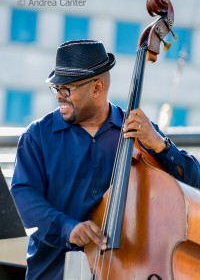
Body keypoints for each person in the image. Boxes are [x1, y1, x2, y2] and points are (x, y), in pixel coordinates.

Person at [11, 39, 200, 280]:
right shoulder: (36, 136)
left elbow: (195, 184)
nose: (59, 96)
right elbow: (24, 198)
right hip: (53, 274)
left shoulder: (138, 131)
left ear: (97, 88)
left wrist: (161, 147)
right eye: (56, 88)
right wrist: (67, 228)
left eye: (67, 88)